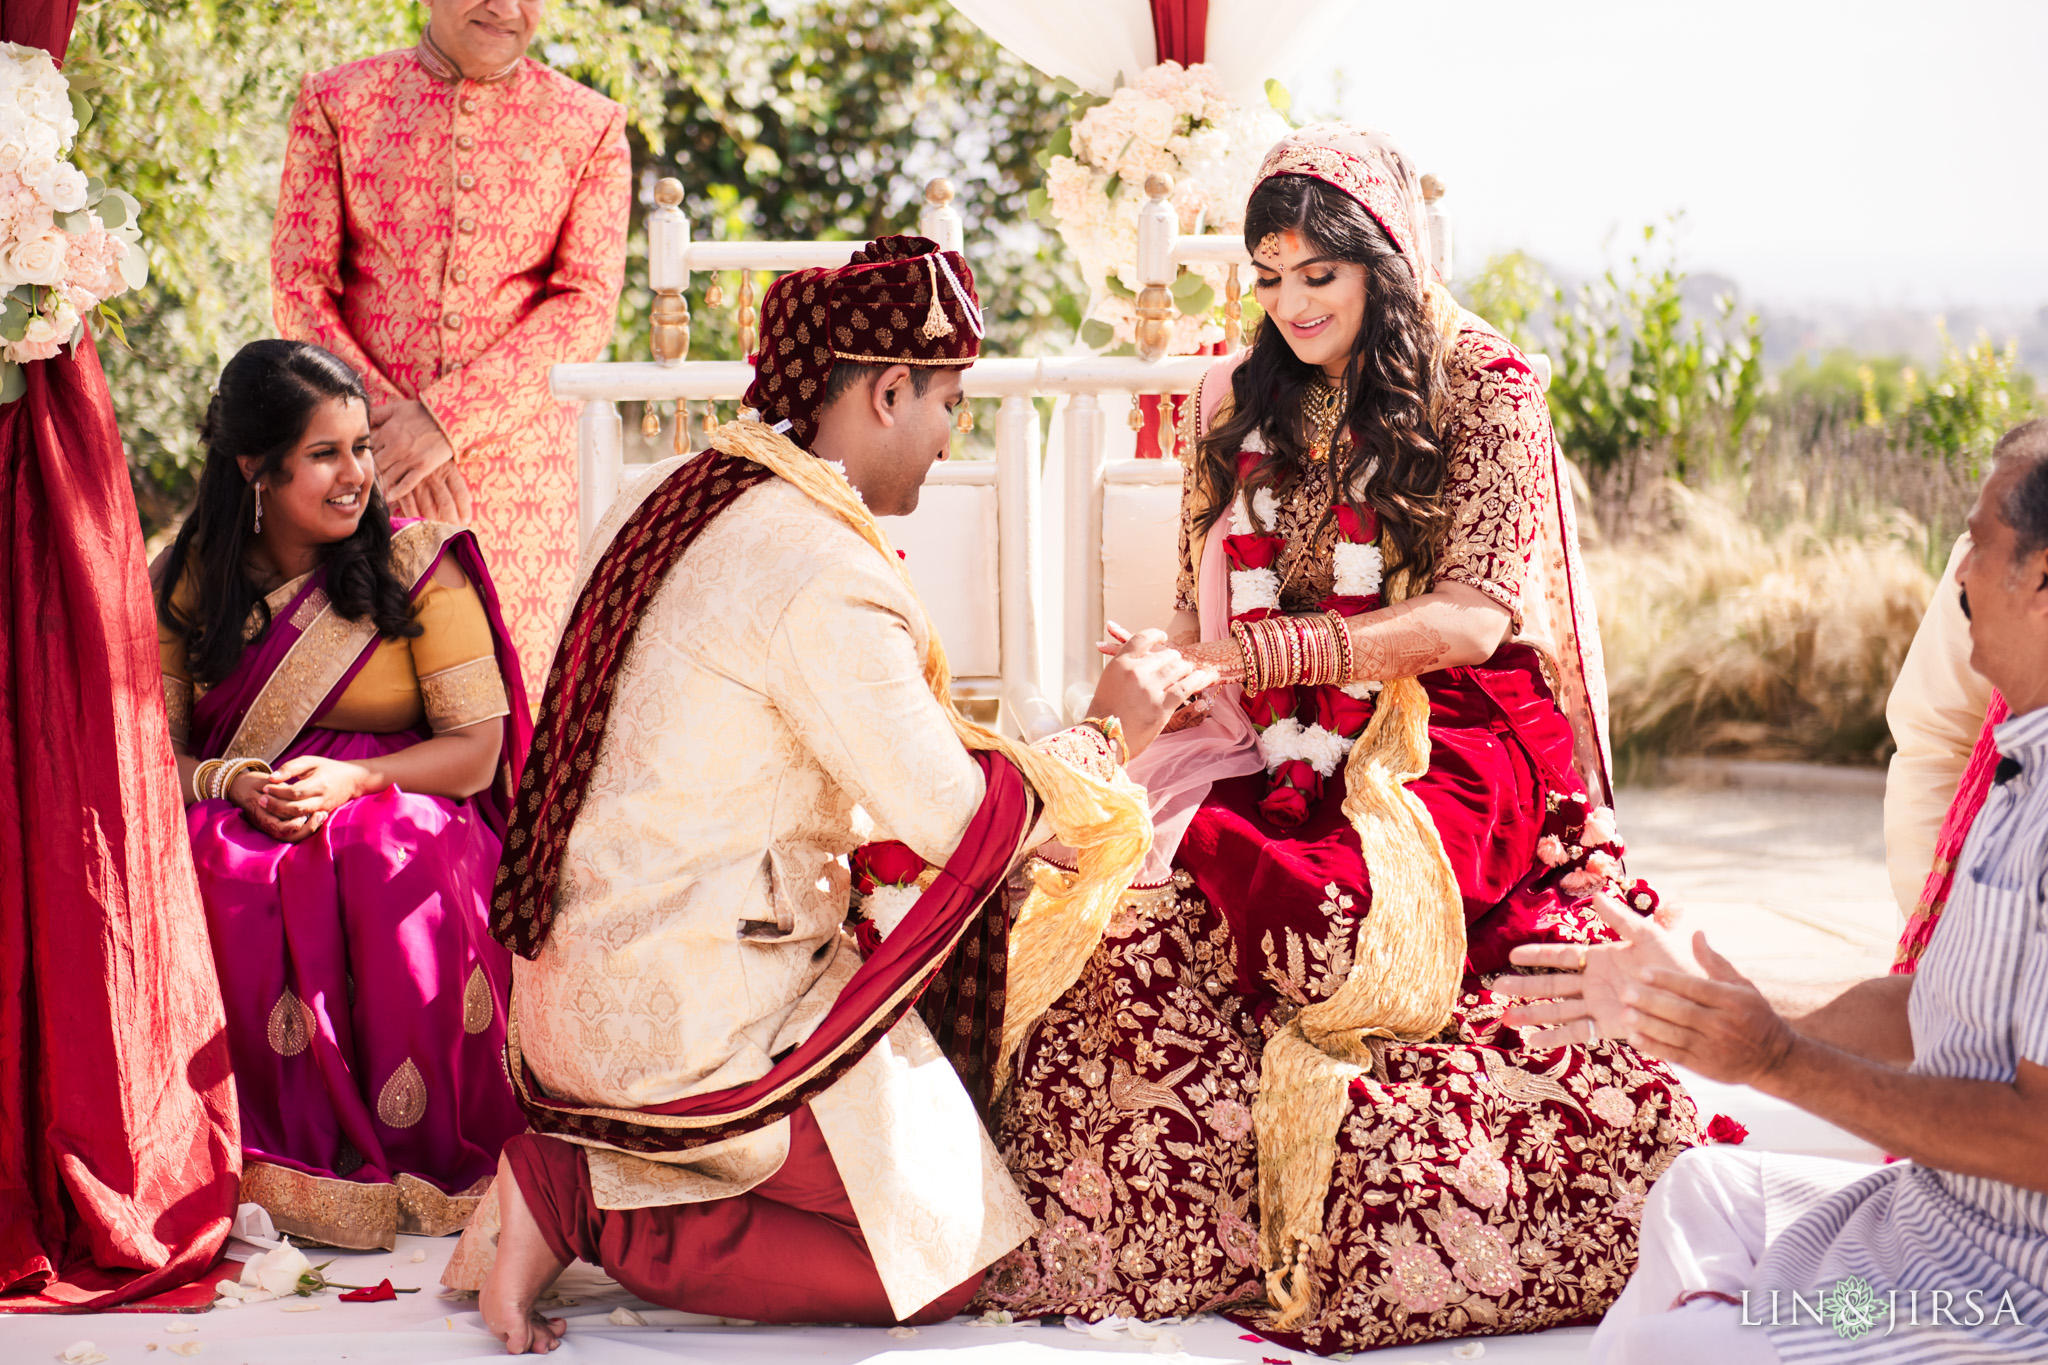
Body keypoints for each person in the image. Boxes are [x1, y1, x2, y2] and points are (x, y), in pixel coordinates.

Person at [975, 124, 1702, 1355]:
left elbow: (1473, 621)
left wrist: (1263, 656)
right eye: (1267, 277)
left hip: (1445, 728)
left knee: (1325, 924)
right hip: (1257, 729)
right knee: (1099, 921)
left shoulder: (1486, 387)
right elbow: (1188, 608)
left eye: (1318, 274)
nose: (1290, 304)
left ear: (1383, 262)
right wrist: (1165, 670)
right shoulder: (1228, 396)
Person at [460, 235, 1210, 1354]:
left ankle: (595, 1174)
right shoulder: (817, 562)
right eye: (950, 403)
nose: (953, 434)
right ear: (887, 389)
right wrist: (1111, 731)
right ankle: (579, 1198)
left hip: (574, 1000)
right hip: (699, 1023)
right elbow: (956, 822)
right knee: (946, 1257)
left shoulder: (668, 492)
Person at [1502, 419, 2048, 1364]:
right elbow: (1931, 1008)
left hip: (1999, 1296)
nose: (1956, 574)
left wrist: (1775, 1060)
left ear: (2042, 583)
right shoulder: (2017, 765)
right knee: (1701, 1192)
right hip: (1931, 1225)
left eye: (1978, 543)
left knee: (1675, 1348)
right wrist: (1704, 999)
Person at [155, 340, 531, 1251]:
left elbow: (477, 753)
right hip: (248, 802)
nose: (358, 473)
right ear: (254, 466)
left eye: (363, 447)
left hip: (412, 805)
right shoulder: (187, 575)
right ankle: (250, 1153)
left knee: (378, 844)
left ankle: (423, 1151)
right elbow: (149, 761)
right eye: (327, 453)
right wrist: (230, 779)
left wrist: (356, 778)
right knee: (219, 860)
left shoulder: (417, 562)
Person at [272, 0, 632, 694]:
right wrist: (378, 427)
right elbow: (299, 284)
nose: (504, 7)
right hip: (355, 467)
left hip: (516, 491)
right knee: (353, 706)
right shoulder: (340, 101)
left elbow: (585, 303)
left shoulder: (588, 126)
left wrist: (444, 422)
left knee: (509, 714)